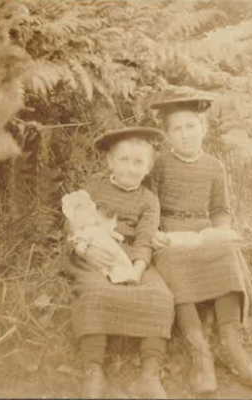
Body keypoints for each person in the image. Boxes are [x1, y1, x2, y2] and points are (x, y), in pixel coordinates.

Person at [148, 96, 252, 394]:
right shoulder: (160, 164)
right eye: (176, 129)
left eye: (191, 126)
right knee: (173, 262)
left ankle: (231, 345)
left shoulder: (215, 166)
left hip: (204, 228)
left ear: (204, 128)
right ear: (167, 135)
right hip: (171, 231)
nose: (185, 134)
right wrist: (154, 230)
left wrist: (221, 230)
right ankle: (199, 352)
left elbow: (220, 209)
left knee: (227, 252)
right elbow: (149, 203)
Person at [64, 127, 175, 399]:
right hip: (94, 250)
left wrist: (137, 268)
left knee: (159, 295)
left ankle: (150, 373)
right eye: (124, 160)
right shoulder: (92, 189)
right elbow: (74, 226)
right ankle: (94, 370)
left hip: (130, 255)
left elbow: (146, 238)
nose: (130, 167)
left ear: (148, 168)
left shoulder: (149, 200)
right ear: (110, 161)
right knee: (94, 291)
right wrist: (85, 250)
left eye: (138, 162)